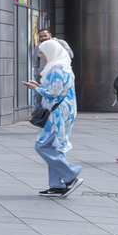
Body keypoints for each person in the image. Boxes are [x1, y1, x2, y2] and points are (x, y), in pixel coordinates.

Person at [24, 37, 83, 198]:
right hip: (64, 110)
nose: (41, 55)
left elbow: (53, 93)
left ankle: (70, 176)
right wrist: (39, 86)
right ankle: (57, 185)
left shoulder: (58, 69)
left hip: (57, 113)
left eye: (42, 52)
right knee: (56, 146)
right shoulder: (62, 67)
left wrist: (36, 89)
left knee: (42, 145)